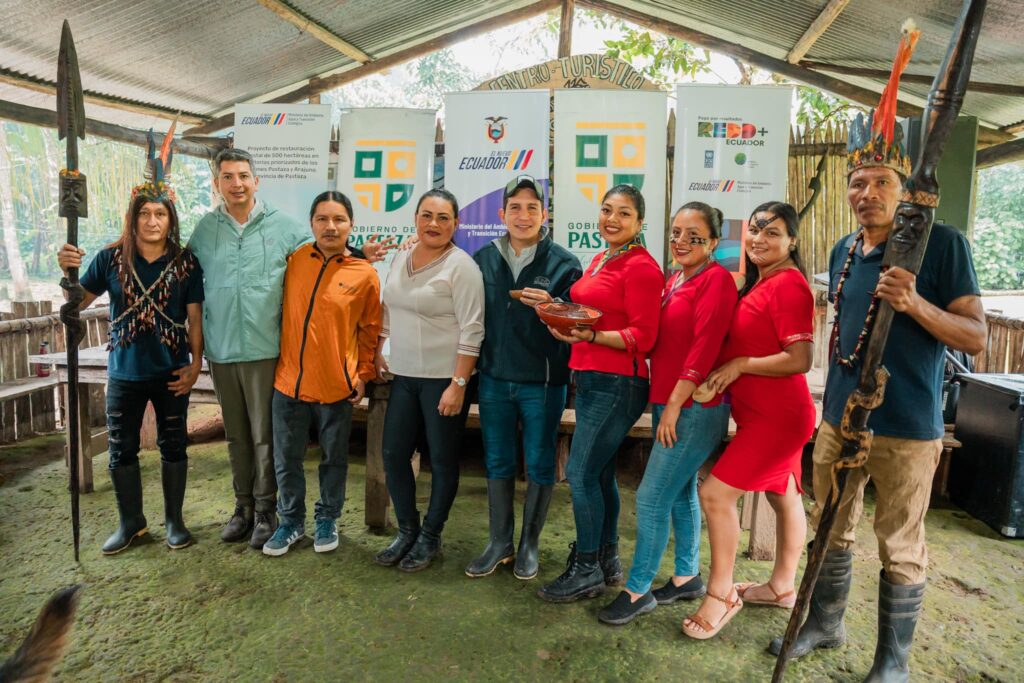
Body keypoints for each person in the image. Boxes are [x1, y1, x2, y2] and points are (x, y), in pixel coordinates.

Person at [768, 30, 985, 679]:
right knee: (831, 525)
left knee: (900, 544)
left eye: (880, 181)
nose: (866, 192)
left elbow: (974, 336)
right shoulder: (844, 249)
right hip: (840, 418)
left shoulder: (942, 245)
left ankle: (892, 663)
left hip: (908, 426)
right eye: (857, 182)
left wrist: (916, 304)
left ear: (904, 185)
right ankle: (824, 623)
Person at [189, 148, 392, 549]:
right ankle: (261, 512)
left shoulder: (294, 235)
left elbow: (362, 313)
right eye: (228, 177)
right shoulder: (215, 232)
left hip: (294, 364)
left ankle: (296, 515)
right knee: (255, 444)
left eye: (243, 176)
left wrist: (359, 255)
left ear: (256, 181)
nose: (236, 184)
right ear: (217, 184)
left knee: (293, 447)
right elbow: (183, 267)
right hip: (247, 360)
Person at [57, 129, 203, 553]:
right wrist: (67, 272)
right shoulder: (109, 258)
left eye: (160, 214)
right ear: (133, 217)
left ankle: (174, 521)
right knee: (121, 449)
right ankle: (132, 524)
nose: (152, 221)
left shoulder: (186, 262)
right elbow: (78, 303)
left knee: (173, 444)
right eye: (145, 214)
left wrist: (196, 364)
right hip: (123, 373)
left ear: (170, 219)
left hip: (172, 371)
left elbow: (195, 318)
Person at [598, 202, 736, 625]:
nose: (681, 242)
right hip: (668, 400)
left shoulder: (716, 280)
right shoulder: (676, 278)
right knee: (679, 492)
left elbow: (704, 348)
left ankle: (638, 590)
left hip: (694, 406)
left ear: (714, 242)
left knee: (652, 496)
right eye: (676, 233)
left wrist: (676, 404)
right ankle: (686, 576)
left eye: (694, 236)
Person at [682, 202, 816, 640]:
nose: (759, 238)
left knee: (715, 496)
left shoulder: (789, 285)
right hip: (762, 413)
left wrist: (739, 364)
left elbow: (799, 358)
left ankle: (721, 594)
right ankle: (781, 587)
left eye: (772, 232)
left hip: (778, 418)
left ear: (792, 241)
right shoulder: (761, 282)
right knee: (784, 495)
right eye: (755, 229)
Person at [537, 184, 664, 603]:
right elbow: (595, 310)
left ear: (640, 223)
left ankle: (587, 568)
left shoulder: (642, 268)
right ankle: (607, 559)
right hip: (592, 377)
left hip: (619, 382)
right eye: (607, 210)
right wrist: (555, 307)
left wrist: (591, 335)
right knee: (600, 473)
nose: (612, 219)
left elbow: (644, 337)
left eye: (624, 213)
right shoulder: (603, 258)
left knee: (580, 473)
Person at [466, 175, 582, 580]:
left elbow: (577, 323)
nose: (523, 215)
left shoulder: (565, 263)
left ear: (544, 214)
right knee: (497, 460)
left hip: (544, 383)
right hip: (494, 379)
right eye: (515, 207)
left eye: (532, 207)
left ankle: (529, 544)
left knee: (539, 462)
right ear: (502, 214)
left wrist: (553, 306)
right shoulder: (482, 258)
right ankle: (499, 542)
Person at [262, 191, 382, 557]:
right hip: (288, 383)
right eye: (322, 219)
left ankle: (328, 518)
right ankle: (290, 521)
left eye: (339, 219)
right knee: (287, 459)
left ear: (351, 224)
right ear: (311, 223)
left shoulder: (365, 274)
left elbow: (370, 329)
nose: (331, 226)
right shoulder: (295, 259)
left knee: (334, 459)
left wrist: (362, 373)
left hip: (336, 386)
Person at [373, 189, 485, 572]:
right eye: (426, 215)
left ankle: (431, 536)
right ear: (416, 219)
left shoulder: (462, 267)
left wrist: (458, 384)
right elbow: (390, 307)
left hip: (443, 379)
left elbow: (473, 329)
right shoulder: (401, 255)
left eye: (442, 217)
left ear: (456, 224)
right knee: (393, 454)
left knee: (441, 459)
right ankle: (408, 530)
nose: (433, 224)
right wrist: (379, 348)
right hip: (404, 375)